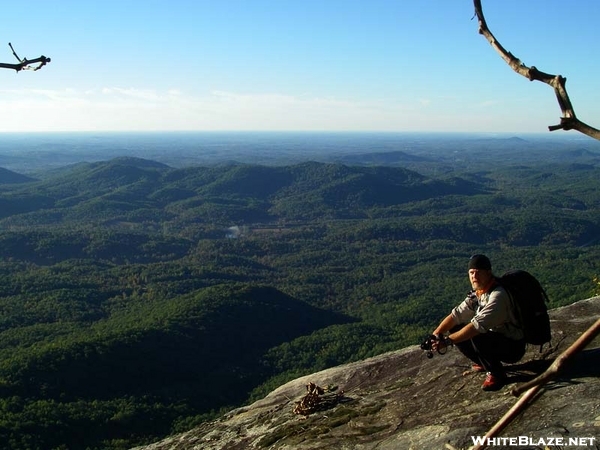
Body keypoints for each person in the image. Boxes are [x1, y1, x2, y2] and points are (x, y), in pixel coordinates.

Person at [432, 254, 526, 391]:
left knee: (476, 334)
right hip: (496, 339)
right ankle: (483, 362)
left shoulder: (498, 296)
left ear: (488, 273)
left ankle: (497, 374)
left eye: (478, 272)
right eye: (471, 273)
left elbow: (476, 327)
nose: (474, 277)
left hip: (513, 347)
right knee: (456, 328)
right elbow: (456, 315)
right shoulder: (479, 294)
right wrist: (436, 334)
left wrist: (446, 342)